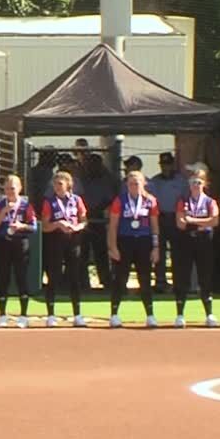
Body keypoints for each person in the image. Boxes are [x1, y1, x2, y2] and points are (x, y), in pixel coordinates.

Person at [108, 169, 161, 328]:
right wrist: (113, 247)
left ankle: (150, 315)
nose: (134, 186)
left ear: (143, 183)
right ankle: (114, 314)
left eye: (137, 183)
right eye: (131, 183)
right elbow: (113, 226)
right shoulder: (120, 201)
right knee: (120, 279)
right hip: (125, 241)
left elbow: (155, 226)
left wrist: (156, 247)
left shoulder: (150, 201)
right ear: (126, 185)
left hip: (144, 242)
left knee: (145, 278)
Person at [172, 165, 220, 328]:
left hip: (204, 241)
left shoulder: (210, 201)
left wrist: (193, 221)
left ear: (205, 183)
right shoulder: (183, 200)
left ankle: (209, 313)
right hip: (185, 242)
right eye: (193, 181)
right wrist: (201, 222)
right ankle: (180, 314)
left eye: (199, 182)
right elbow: (180, 223)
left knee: (205, 277)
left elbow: (214, 220)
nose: (195, 185)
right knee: (182, 277)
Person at [41, 170, 87, 327]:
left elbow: (84, 220)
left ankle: (77, 314)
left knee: (74, 277)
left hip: (73, 241)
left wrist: (77, 227)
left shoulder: (76, 200)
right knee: (53, 277)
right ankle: (51, 314)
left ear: (68, 185)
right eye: (54, 184)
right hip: (55, 241)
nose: (57, 187)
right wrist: (58, 224)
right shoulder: (49, 202)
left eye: (60, 184)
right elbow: (45, 226)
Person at [0, 174, 36, 328]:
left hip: (20, 244)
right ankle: (2, 315)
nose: (10, 191)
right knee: (3, 279)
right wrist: (4, 211)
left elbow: (34, 227)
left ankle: (23, 316)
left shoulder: (26, 206)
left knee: (21, 279)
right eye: (7, 188)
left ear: (20, 188)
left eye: (13, 188)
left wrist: (21, 226)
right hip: (3, 244)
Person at [76, 138, 115, 290]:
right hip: (83, 218)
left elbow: (110, 198)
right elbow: (78, 197)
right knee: (82, 252)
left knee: (101, 251)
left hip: (99, 218)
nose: (93, 167)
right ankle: (82, 282)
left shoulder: (105, 180)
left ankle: (105, 280)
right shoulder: (81, 179)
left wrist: (97, 209)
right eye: (90, 164)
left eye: (96, 164)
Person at [146, 152, 185, 293]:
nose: (166, 167)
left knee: (177, 252)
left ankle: (178, 281)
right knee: (159, 251)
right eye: (163, 165)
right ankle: (160, 282)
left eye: (168, 164)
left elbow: (184, 198)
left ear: (173, 164)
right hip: (160, 218)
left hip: (176, 218)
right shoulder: (154, 181)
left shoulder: (181, 181)